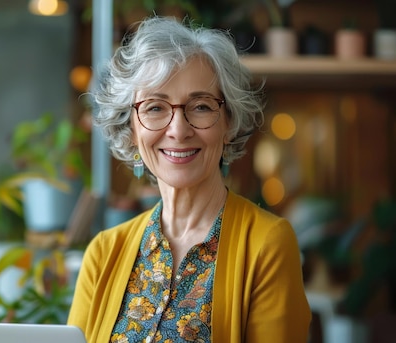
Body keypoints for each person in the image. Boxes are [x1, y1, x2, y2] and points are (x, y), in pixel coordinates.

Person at [67, 16, 311, 343]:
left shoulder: (267, 244)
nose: (179, 130)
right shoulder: (104, 252)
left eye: (200, 106)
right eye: (155, 107)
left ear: (229, 124)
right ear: (131, 131)